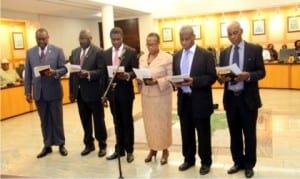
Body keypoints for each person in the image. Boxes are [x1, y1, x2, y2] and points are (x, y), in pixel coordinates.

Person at [218, 21, 266, 178]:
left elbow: (261, 72)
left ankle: (249, 164)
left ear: (242, 31)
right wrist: (221, 78)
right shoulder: (224, 52)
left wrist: (249, 76)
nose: (232, 36)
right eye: (229, 34)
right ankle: (238, 162)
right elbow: (221, 74)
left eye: (235, 32)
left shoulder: (254, 49)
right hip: (231, 99)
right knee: (234, 133)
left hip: (248, 99)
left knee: (249, 134)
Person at [172, 25, 217, 175]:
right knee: (186, 132)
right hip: (183, 100)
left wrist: (194, 81)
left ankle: (205, 162)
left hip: (200, 100)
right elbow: (175, 75)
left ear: (193, 37)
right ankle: (188, 159)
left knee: (203, 134)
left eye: (186, 39)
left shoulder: (205, 55)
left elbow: (212, 77)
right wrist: (175, 83)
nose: (183, 42)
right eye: (181, 39)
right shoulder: (177, 56)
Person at [24, 28, 68, 158]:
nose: (42, 41)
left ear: (48, 37)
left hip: (54, 91)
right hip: (39, 93)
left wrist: (55, 72)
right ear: (36, 39)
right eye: (39, 39)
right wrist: (27, 91)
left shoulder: (57, 50)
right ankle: (47, 145)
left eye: (44, 39)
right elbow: (28, 73)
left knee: (57, 119)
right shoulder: (30, 52)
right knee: (44, 120)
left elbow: (64, 68)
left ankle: (61, 144)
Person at [69, 29, 107, 157]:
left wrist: (89, 74)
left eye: (84, 38)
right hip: (80, 93)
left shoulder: (98, 52)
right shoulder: (74, 52)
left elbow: (102, 71)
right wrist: (72, 92)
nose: (81, 41)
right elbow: (72, 74)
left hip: (94, 93)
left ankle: (102, 145)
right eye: (80, 38)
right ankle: (88, 145)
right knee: (85, 120)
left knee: (98, 121)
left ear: (90, 39)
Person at [103, 27, 139, 163]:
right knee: (117, 122)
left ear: (122, 38)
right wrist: (104, 94)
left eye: (118, 39)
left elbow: (135, 71)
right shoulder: (106, 54)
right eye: (113, 40)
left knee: (127, 122)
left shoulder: (130, 52)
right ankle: (119, 150)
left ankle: (129, 150)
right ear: (110, 39)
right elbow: (103, 75)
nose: (116, 42)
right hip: (112, 94)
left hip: (125, 93)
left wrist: (127, 75)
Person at [139, 32, 172, 165]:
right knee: (150, 124)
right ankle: (153, 149)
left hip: (161, 97)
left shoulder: (167, 58)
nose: (150, 46)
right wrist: (139, 80)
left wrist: (157, 81)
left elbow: (171, 77)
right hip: (146, 96)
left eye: (153, 44)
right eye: (148, 44)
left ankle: (165, 150)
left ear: (158, 43)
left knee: (162, 124)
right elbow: (140, 73)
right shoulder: (142, 58)